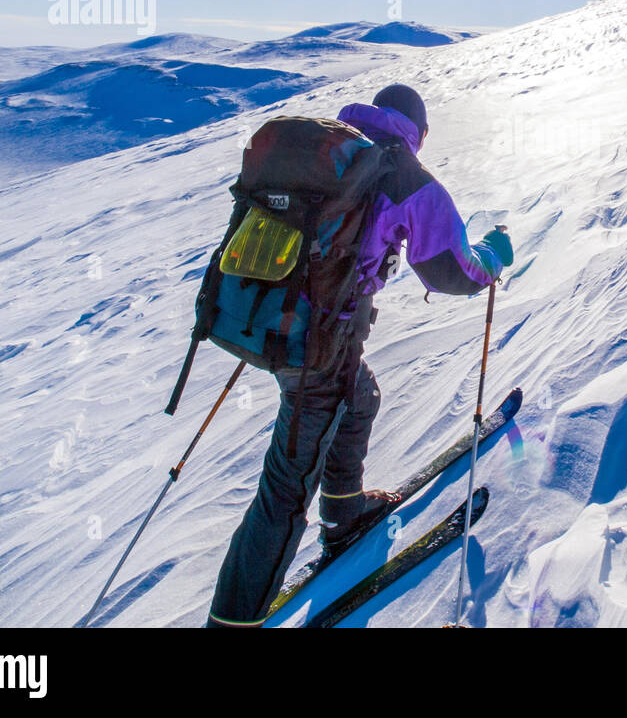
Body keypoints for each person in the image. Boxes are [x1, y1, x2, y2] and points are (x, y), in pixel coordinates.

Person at [206, 83, 513, 627]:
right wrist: (491, 257)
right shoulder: (403, 176)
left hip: (269, 320)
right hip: (317, 347)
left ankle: (345, 514)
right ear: (416, 131)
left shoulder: (329, 152)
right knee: (286, 487)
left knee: (360, 393)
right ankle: (231, 622)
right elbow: (452, 272)